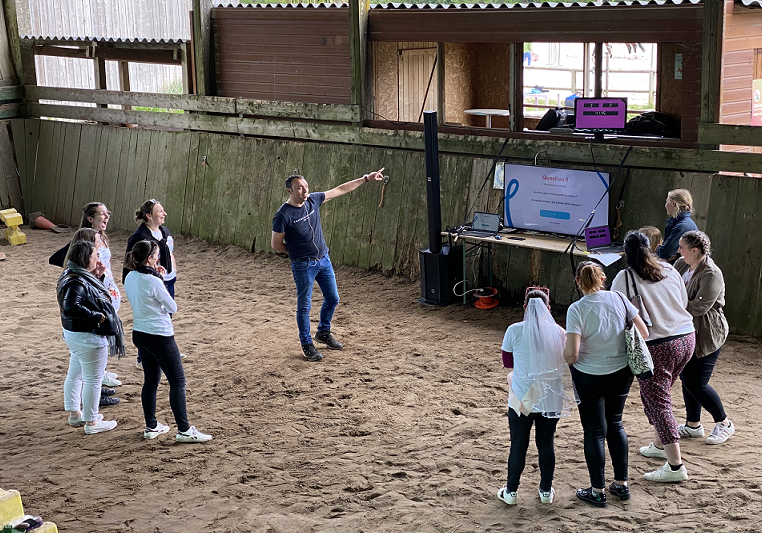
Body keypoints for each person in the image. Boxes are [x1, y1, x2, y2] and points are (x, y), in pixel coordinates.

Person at [271, 169, 385, 362]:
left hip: (324, 260)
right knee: (304, 306)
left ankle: (323, 332)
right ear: (290, 191)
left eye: (306, 186)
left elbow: (340, 190)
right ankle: (307, 344)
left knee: (333, 298)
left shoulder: (313, 200)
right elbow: (276, 244)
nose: (305, 191)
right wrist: (297, 253)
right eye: (300, 188)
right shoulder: (283, 215)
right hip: (303, 265)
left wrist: (366, 179)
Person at [611, 232, 696, 482]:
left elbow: (617, 312)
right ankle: (660, 444)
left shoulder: (624, 277)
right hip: (686, 337)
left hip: (659, 344)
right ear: (651, 248)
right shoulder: (669, 268)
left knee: (659, 403)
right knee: (662, 394)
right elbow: (682, 301)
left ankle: (675, 466)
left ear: (625, 253)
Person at [564, 261, 649, 507]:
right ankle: (621, 484)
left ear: (578, 282)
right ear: (603, 279)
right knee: (616, 423)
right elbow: (642, 333)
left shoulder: (576, 309)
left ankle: (597, 490)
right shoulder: (620, 298)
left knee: (594, 432)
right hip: (621, 372)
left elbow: (572, 354)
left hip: (589, 375)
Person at [124, 240, 212, 443]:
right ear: (150, 258)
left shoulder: (130, 276)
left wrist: (158, 278)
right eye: (155, 255)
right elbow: (172, 307)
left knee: (151, 381)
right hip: (160, 335)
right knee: (178, 381)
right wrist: (161, 280)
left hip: (140, 332)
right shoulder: (153, 281)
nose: (158, 258)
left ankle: (151, 425)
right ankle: (184, 429)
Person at [496, 288, 577, 506]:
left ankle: (511, 491)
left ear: (524, 308)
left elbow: (508, 362)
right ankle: (545, 490)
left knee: (518, 445)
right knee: (546, 444)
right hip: (550, 397)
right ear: (548, 309)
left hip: (523, 398)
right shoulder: (559, 332)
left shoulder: (514, 330)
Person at [51, 203, 123, 389]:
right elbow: (64, 257)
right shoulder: (86, 238)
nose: (106, 217)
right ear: (90, 218)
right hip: (95, 288)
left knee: (103, 333)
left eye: (107, 213)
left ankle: (100, 373)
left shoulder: (101, 237)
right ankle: (96, 379)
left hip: (105, 283)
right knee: (96, 336)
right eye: (101, 214)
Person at [673, 230, 734, 445]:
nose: (678, 251)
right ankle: (693, 425)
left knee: (697, 382)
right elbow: (670, 287)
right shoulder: (681, 264)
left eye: (682, 247)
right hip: (685, 329)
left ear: (695, 250)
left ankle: (724, 422)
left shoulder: (711, 274)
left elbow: (700, 307)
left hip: (708, 333)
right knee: (687, 378)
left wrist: (672, 305)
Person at [58, 240, 124, 435]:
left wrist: (99, 276)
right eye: (96, 255)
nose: (99, 258)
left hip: (73, 334)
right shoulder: (78, 280)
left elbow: (88, 296)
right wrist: (96, 316)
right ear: (86, 258)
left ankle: (74, 414)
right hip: (88, 337)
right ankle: (91, 422)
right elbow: (72, 306)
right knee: (93, 380)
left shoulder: (72, 274)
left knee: (75, 374)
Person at [123, 199, 182, 369]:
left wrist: (173, 273)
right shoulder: (139, 237)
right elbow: (130, 262)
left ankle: (166, 349)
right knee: (148, 316)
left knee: (166, 313)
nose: (164, 213)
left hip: (167, 279)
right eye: (159, 211)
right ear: (149, 216)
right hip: (148, 281)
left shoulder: (165, 232)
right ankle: (143, 357)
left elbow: (170, 254)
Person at [657, 189, 698, 262]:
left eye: (667, 202)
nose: (665, 205)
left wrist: (656, 248)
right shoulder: (680, 223)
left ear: (674, 204)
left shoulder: (682, 227)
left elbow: (665, 253)